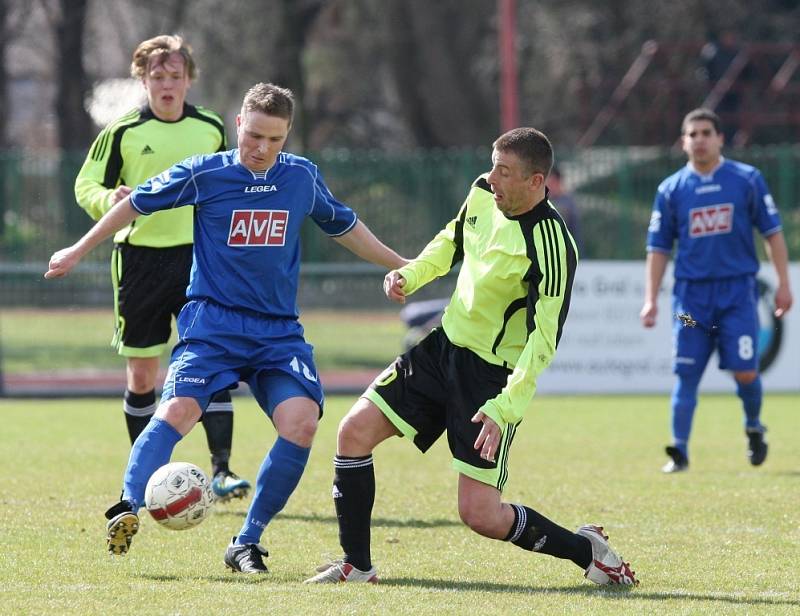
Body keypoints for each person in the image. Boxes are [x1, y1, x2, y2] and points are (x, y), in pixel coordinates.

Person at [46, 82, 408, 571]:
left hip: (277, 333)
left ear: (288, 136)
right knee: (177, 410)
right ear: (238, 125)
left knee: (301, 423)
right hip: (213, 325)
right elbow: (134, 204)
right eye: (254, 135)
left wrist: (401, 264)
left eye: (274, 140)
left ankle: (246, 542)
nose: (261, 149)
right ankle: (128, 506)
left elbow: (343, 225)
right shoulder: (204, 174)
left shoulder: (301, 177)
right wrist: (77, 250)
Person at [305, 128, 637, 586]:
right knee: (353, 433)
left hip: (490, 379)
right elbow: (451, 240)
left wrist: (505, 408)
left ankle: (587, 552)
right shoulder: (483, 191)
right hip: (442, 347)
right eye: (493, 165)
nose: (493, 178)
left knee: (480, 514)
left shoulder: (553, 244)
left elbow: (543, 340)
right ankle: (356, 566)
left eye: (505, 171)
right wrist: (410, 274)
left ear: (536, 181)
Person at [74, 34, 250, 501]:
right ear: (142, 79)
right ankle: (151, 479)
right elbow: (85, 184)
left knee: (212, 362)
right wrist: (105, 199)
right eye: (157, 76)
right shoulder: (123, 131)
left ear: (189, 79)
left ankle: (222, 471)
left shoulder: (211, 128)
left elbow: (229, 183)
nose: (167, 84)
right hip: (140, 262)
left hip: (200, 259)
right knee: (143, 376)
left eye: (175, 76)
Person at [640, 108, 793, 474]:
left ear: (720, 138)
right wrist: (650, 299)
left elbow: (772, 234)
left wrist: (784, 284)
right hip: (689, 300)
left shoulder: (747, 180)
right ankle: (679, 450)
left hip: (738, 295)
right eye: (693, 134)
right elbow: (658, 249)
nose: (700, 139)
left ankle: (754, 425)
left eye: (707, 132)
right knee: (685, 372)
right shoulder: (671, 189)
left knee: (744, 371)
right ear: (683, 142)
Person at [547, 166, 582, 253]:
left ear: (559, 181)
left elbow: (575, 232)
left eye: (552, 183)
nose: (549, 186)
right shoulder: (545, 202)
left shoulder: (568, 204)